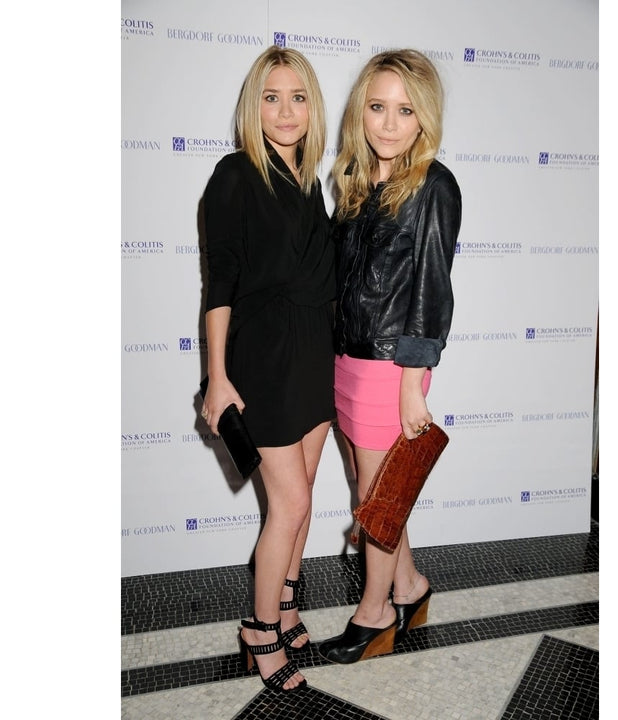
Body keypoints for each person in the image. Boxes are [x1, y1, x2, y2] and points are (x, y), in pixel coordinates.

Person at [318, 49, 462, 664]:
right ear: (361, 111)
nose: (388, 123)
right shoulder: (352, 181)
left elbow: (432, 288)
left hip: (391, 366)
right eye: (377, 107)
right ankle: (409, 585)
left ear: (424, 117)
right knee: (373, 493)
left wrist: (412, 384)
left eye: (404, 111)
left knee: (376, 500)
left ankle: (375, 614)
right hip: (347, 357)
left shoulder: (434, 184)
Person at [201, 46, 334, 692]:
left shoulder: (311, 183)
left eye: (298, 97)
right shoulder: (234, 175)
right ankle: (259, 629)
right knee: (292, 502)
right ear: (254, 107)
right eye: (272, 97)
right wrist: (217, 376)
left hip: (315, 359)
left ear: (313, 107)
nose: (286, 110)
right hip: (264, 362)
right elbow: (218, 285)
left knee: (304, 501)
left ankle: (283, 603)